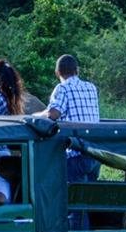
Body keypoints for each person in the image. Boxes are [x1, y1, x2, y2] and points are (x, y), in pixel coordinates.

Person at [37, 54, 101, 182]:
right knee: (88, 196)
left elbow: (53, 114)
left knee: (71, 197)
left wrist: (36, 116)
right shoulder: (91, 87)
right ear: (77, 70)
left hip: (75, 154)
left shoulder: (62, 88)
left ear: (57, 72)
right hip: (95, 154)